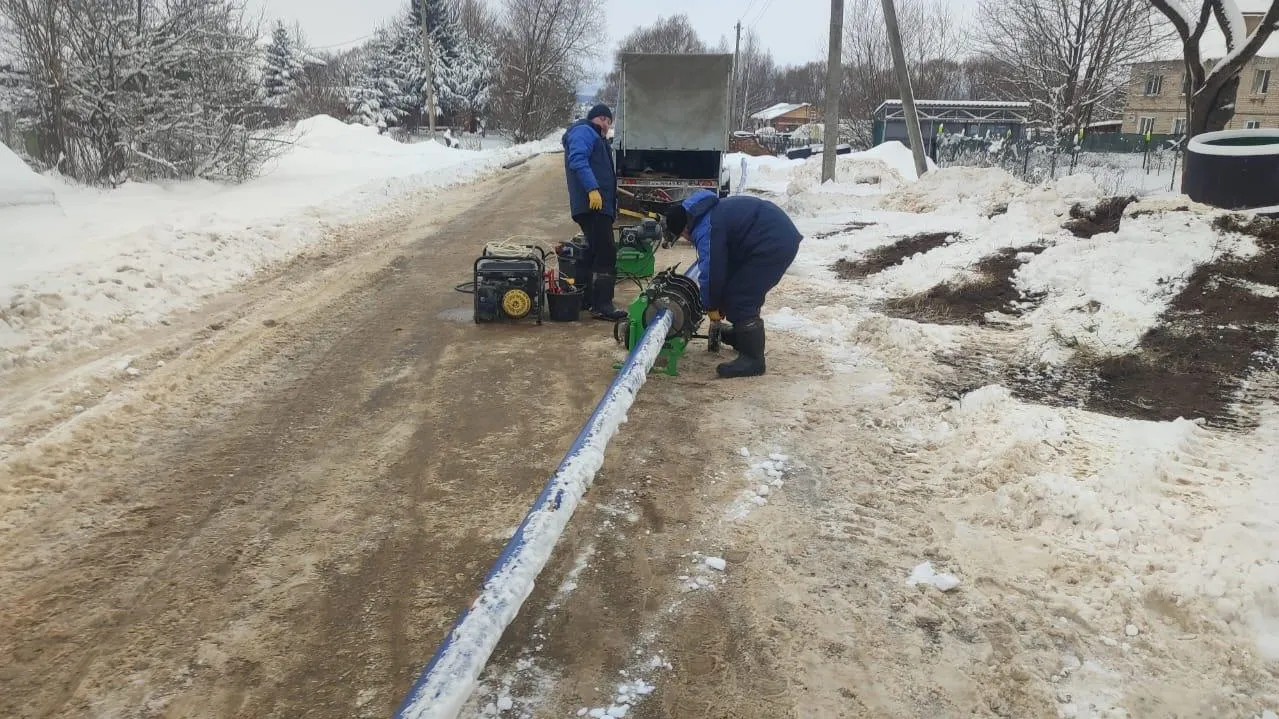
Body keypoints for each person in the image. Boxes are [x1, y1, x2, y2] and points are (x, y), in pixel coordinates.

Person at [664, 189, 803, 378]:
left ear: (685, 229)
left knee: (742, 297)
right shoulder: (705, 214)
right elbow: (724, 265)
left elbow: (712, 272)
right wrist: (720, 298)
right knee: (735, 289)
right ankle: (742, 337)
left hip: (773, 242)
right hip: (771, 236)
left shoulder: (707, 228)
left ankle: (753, 360)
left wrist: (711, 305)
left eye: (682, 236)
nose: (687, 239)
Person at [562, 104, 626, 320]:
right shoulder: (584, 131)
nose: (606, 124)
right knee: (606, 251)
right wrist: (592, 189)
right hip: (593, 205)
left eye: (609, 121)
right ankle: (602, 305)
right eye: (603, 119)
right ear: (593, 118)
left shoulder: (597, 138)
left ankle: (585, 298)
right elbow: (578, 159)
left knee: (593, 251)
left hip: (598, 205)